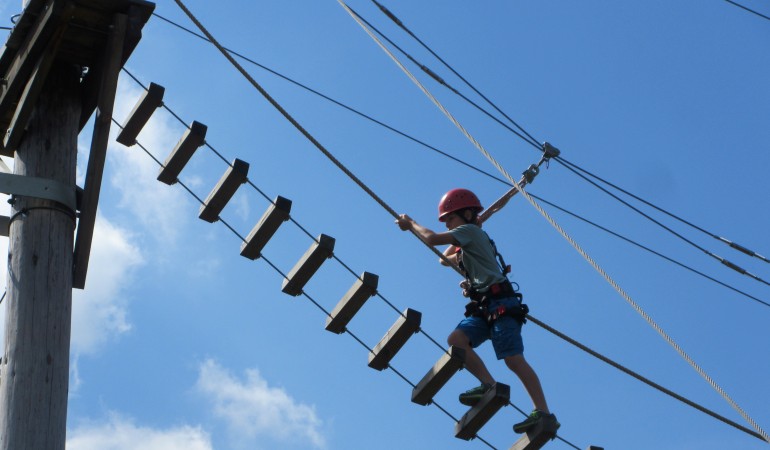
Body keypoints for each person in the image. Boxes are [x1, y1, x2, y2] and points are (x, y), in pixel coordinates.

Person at [395, 188, 558, 434]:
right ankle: (489, 385)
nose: (448, 224)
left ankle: (544, 413)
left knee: (513, 359)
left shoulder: (470, 232)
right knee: (457, 340)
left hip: (502, 304)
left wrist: (412, 224)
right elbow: (443, 259)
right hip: (486, 306)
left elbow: (431, 239)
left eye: (450, 218)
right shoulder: (471, 235)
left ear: (467, 214)